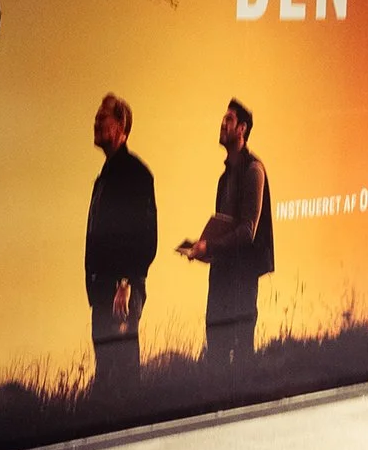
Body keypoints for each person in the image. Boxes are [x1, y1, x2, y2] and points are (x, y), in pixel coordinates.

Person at [180, 99, 273, 364]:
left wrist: (209, 247)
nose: (223, 123)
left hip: (241, 280)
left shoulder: (254, 170)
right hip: (221, 276)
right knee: (216, 353)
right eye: (223, 118)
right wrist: (203, 247)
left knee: (241, 357)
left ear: (242, 128)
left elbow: (247, 231)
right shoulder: (225, 177)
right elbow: (225, 227)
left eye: (229, 119)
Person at [84, 93, 158, 395]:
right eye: (96, 116)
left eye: (104, 117)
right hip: (102, 291)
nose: (97, 121)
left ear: (122, 127)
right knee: (105, 376)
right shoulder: (102, 179)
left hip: (121, 291)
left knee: (124, 376)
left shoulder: (136, 174)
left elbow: (146, 237)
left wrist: (125, 283)